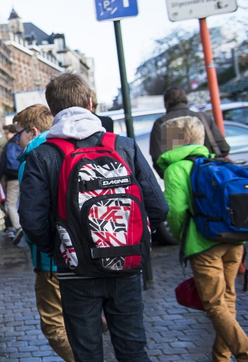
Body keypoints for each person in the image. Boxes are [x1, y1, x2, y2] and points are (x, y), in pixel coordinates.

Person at [19, 73, 168, 362]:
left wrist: (59, 248)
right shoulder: (123, 145)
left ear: (52, 111)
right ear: (90, 103)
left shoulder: (43, 155)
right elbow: (159, 208)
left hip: (76, 270)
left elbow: (31, 219)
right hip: (125, 261)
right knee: (133, 349)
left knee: (86, 353)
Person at [156, 116, 248, 362]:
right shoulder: (216, 162)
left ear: (183, 140)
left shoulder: (176, 168)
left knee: (215, 306)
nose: (164, 144)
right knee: (228, 301)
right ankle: (220, 358)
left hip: (203, 243)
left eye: (167, 139)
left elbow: (176, 212)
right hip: (234, 240)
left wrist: (184, 237)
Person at [12, 105, 73, 361]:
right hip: (80, 252)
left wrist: (47, 249)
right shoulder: (69, 148)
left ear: (33, 131)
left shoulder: (33, 159)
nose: (17, 141)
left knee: (54, 326)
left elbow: (30, 217)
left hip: (51, 258)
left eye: (18, 135)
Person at [149, 87, 229, 176]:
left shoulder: (161, 123)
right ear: (186, 100)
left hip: (178, 176)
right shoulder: (203, 117)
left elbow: (157, 157)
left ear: (166, 104)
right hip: (210, 176)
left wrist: (171, 174)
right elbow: (223, 148)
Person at [0, 124, 23, 242]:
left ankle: (18, 227)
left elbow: (2, 165)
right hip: (23, 175)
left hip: (11, 178)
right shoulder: (23, 141)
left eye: (7, 133)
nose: (6, 136)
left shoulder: (8, 145)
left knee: (10, 204)